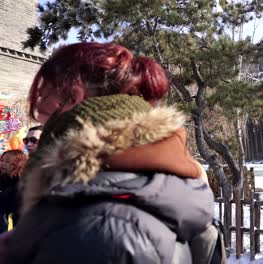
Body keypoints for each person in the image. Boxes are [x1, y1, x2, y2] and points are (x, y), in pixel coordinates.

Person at [3, 42, 222, 264]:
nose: (41, 119)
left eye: (45, 109)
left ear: (72, 97)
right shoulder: (157, 183)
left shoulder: (97, 225)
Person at [0, 150, 26, 232]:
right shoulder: (2, 177)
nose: (2, 163)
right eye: (2, 160)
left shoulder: (20, 183)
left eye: (7, 161)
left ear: (18, 164)